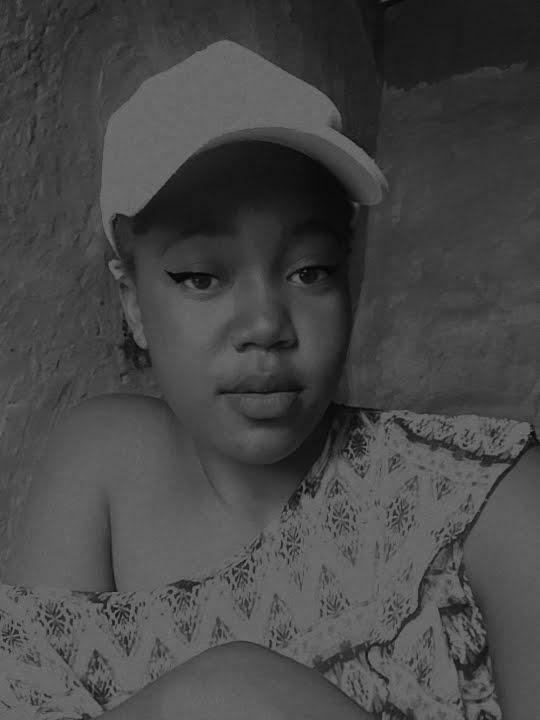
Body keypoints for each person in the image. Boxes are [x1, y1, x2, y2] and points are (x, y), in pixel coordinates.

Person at [1, 40, 538, 720]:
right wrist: (213, 695)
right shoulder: (104, 464)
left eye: (310, 270)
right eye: (202, 277)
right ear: (132, 303)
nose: (265, 324)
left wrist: (236, 696)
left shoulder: (481, 494)